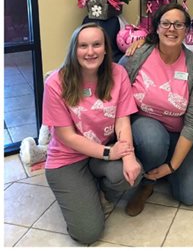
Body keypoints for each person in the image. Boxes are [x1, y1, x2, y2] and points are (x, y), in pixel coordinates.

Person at [42, 23, 142, 244]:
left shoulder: (119, 73)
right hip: (66, 159)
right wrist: (109, 153)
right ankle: (82, 192)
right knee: (88, 234)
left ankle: (99, 192)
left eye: (96, 45)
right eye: (83, 46)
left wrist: (128, 156)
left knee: (132, 173)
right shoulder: (55, 83)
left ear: (106, 48)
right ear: (73, 50)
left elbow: (122, 119)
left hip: (99, 153)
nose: (90, 52)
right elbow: (67, 136)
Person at [122, 3, 193, 216]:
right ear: (157, 28)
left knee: (191, 196)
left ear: (187, 30)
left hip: (178, 136)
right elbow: (115, 89)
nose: (172, 29)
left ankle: (163, 169)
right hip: (144, 129)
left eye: (179, 24)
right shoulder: (138, 55)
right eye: (166, 23)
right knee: (153, 140)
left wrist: (173, 166)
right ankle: (145, 184)